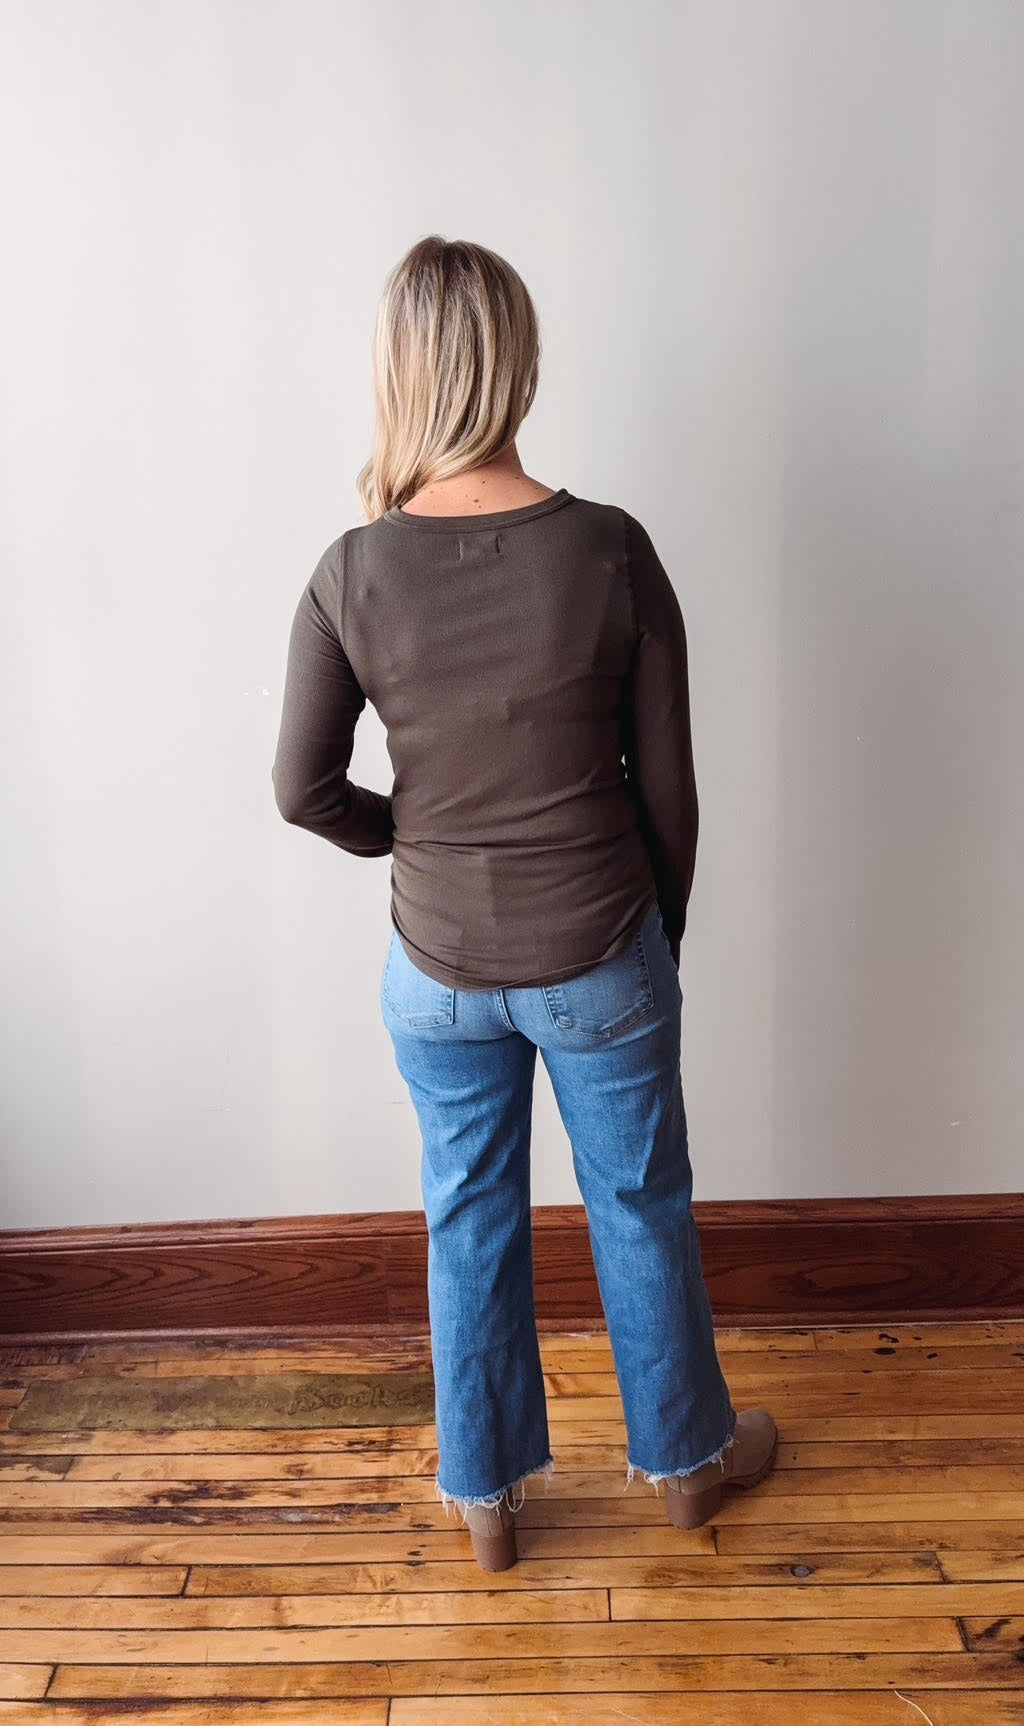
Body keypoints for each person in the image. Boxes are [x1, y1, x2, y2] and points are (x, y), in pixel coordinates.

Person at [272, 234, 778, 1571]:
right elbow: (669, 790)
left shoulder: (349, 570)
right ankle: (685, 1464)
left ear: (400, 374)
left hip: (433, 961)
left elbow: (298, 787)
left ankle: (488, 1501)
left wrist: (412, 838)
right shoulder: (608, 549)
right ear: (519, 363)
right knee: (639, 1198)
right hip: (602, 940)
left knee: (469, 1208)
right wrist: (657, 932)